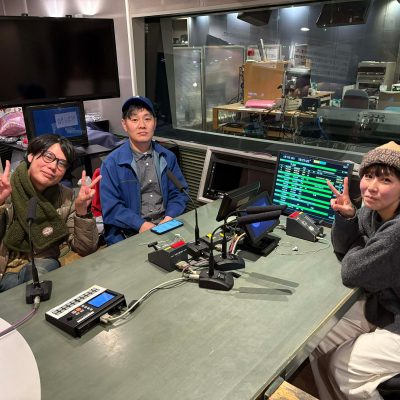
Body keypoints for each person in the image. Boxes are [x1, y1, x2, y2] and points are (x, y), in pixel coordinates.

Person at [310, 141, 400, 400]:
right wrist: (348, 217)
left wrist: (358, 246)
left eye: (385, 179)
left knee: (342, 367)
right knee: (315, 344)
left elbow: (352, 273)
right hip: (384, 307)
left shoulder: (396, 231)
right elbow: (343, 247)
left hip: (395, 318)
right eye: (368, 176)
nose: (371, 187)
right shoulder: (373, 211)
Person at [0, 134, 101, 292]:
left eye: (62, 163)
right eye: (48, 157)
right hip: (4, 270)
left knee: (42, 276)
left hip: (41, 264)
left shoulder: (66, 197)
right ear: (31, 155)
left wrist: (82, 210)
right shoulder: (6, 188)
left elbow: (86, 248)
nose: (53, 166)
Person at [100, 96, 188, 245]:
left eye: (147, 119)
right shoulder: (111, 164)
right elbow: (112, 208)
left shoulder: (167, 157)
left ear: (155, 123)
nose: (142, 125)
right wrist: (141, 225)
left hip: (166, 226)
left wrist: (169, 218)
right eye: (134, 120)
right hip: (129, 233)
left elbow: (180, 194)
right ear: (124, 124)